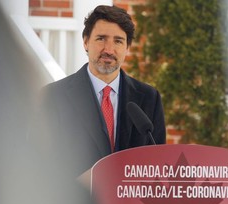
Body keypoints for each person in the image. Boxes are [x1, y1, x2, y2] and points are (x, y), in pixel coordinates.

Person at [37, 5, 166, 177]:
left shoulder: (149, 98)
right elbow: (38, 165)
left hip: (131, 203)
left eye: (118, 41)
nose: (109, 50)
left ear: (127, 47)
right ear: (85, 42)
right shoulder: (53, 97)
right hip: (77, 202)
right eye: (101, 39)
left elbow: (158, 164)